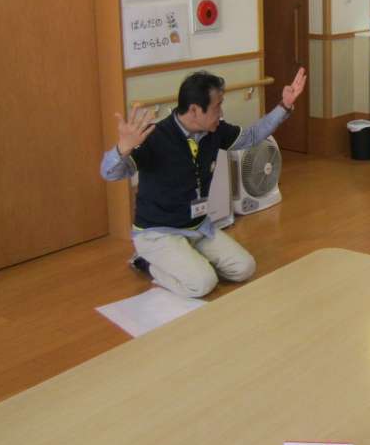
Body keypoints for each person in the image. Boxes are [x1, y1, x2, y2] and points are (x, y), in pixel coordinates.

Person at [100, 68, 306, 298]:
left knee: (244, 268)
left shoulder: (214, 131)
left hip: (198, 226)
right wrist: (122, 149)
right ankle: (146, 262)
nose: (221, 112)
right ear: (195, 110)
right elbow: (109, 173)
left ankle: (188, 259)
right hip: (158, 232)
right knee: (202, 284)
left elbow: (250, 137)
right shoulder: (155, 137)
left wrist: (284, 106)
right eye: (217, 106)